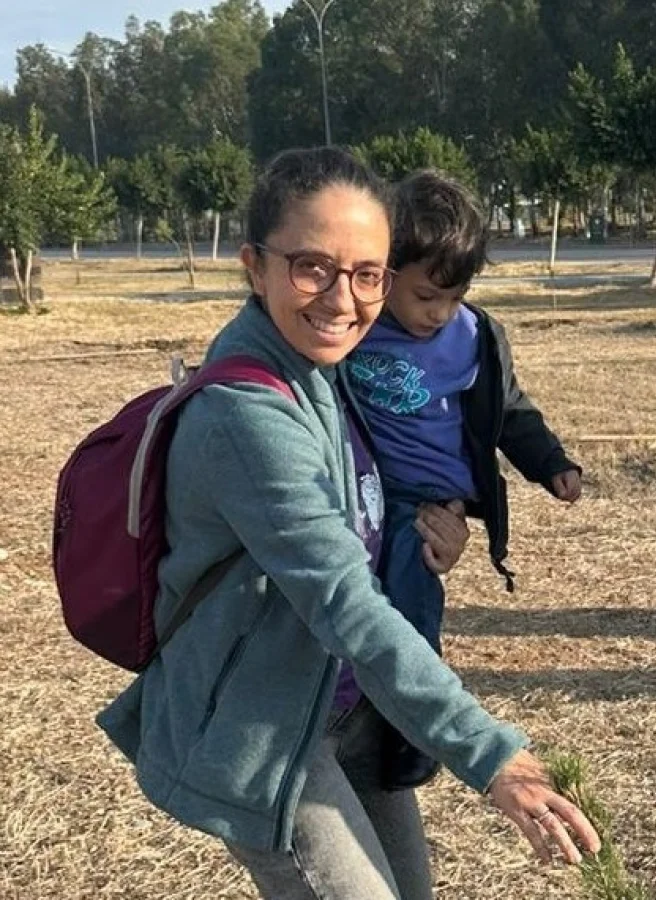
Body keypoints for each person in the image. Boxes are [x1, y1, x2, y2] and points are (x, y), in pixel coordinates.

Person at [96, 146, 600, 900]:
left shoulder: (332, 368)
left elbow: (391, 492)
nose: (343, 299)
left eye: (368, 274)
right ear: (253, 266)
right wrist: (490, 754)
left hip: (344, 704)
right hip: (264, 731)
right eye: (311, 267)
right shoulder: (250, 415)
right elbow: (344, 600)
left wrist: (448, 521)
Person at [344, 170, 582, 789]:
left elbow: (509, 410)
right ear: (384, 273)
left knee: (411, 602)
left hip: (425, 505)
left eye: (454, 296)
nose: (439, 312)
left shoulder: (474, 338)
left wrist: (550, 463)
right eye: (425, 296)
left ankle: (413, 729)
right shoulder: (353, 330)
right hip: (364, 491)